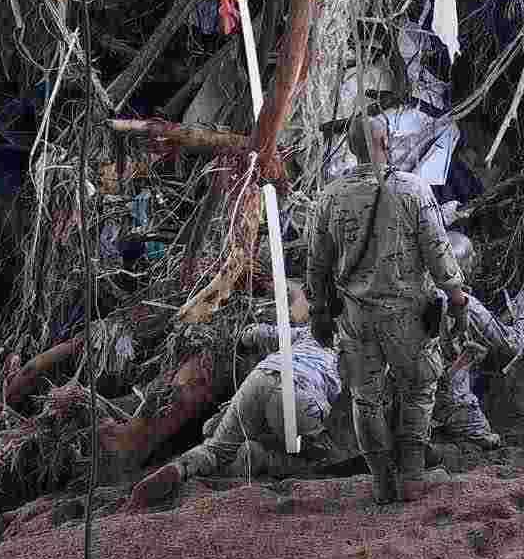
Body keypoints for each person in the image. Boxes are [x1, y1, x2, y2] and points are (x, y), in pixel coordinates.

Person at [310, 114, 467, 504]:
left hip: (356, 318)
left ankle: (381, 482)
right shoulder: (412, 189)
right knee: (418, 388)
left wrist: (319, 311)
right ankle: (412, 475)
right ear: (387, 142)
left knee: (366, 397)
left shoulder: (330, 196)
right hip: (409, 316)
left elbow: (316, 263)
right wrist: (457, 298)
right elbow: (438, 252)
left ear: (351, 148)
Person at [127, 323, 347, 505]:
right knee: (322, 457)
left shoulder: (313, 331)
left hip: (262, 375)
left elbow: (259, 334)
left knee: (215, 448)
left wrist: (244, 337)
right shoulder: (359, 349)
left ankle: (180, 468)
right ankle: (262, 459)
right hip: (301, 392)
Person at [424, 232, 524, 450]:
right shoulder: (462, 303)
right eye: (470, 261)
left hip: (414, 405)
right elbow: (511, 344)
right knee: (485, 450)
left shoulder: (417, 297)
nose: (473, 267)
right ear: (459, 266)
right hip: (453, 403)